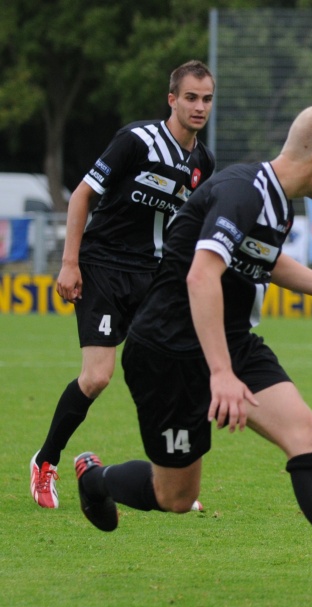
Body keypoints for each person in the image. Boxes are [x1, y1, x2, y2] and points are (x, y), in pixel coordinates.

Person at [72, 104, 312, 607]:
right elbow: (202, 275)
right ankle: (97, 479)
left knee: (308, 433)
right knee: (174, 498)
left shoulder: (278, 200)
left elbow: (267, 258)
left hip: (233, 339)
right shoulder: (242, 191)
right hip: (169, 353)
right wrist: (219, 375)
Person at [29, 60, 216, 510]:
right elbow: (82, 196)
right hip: (104, 267)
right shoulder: (137, 140)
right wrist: (69, 262)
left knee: (167, 372)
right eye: (190, 97)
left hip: (153, 276)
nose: (199, 107)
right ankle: (45, 461)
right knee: (97, 377)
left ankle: (169, 483)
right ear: (171, 99)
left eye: (207, 99)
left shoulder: (202, 163)